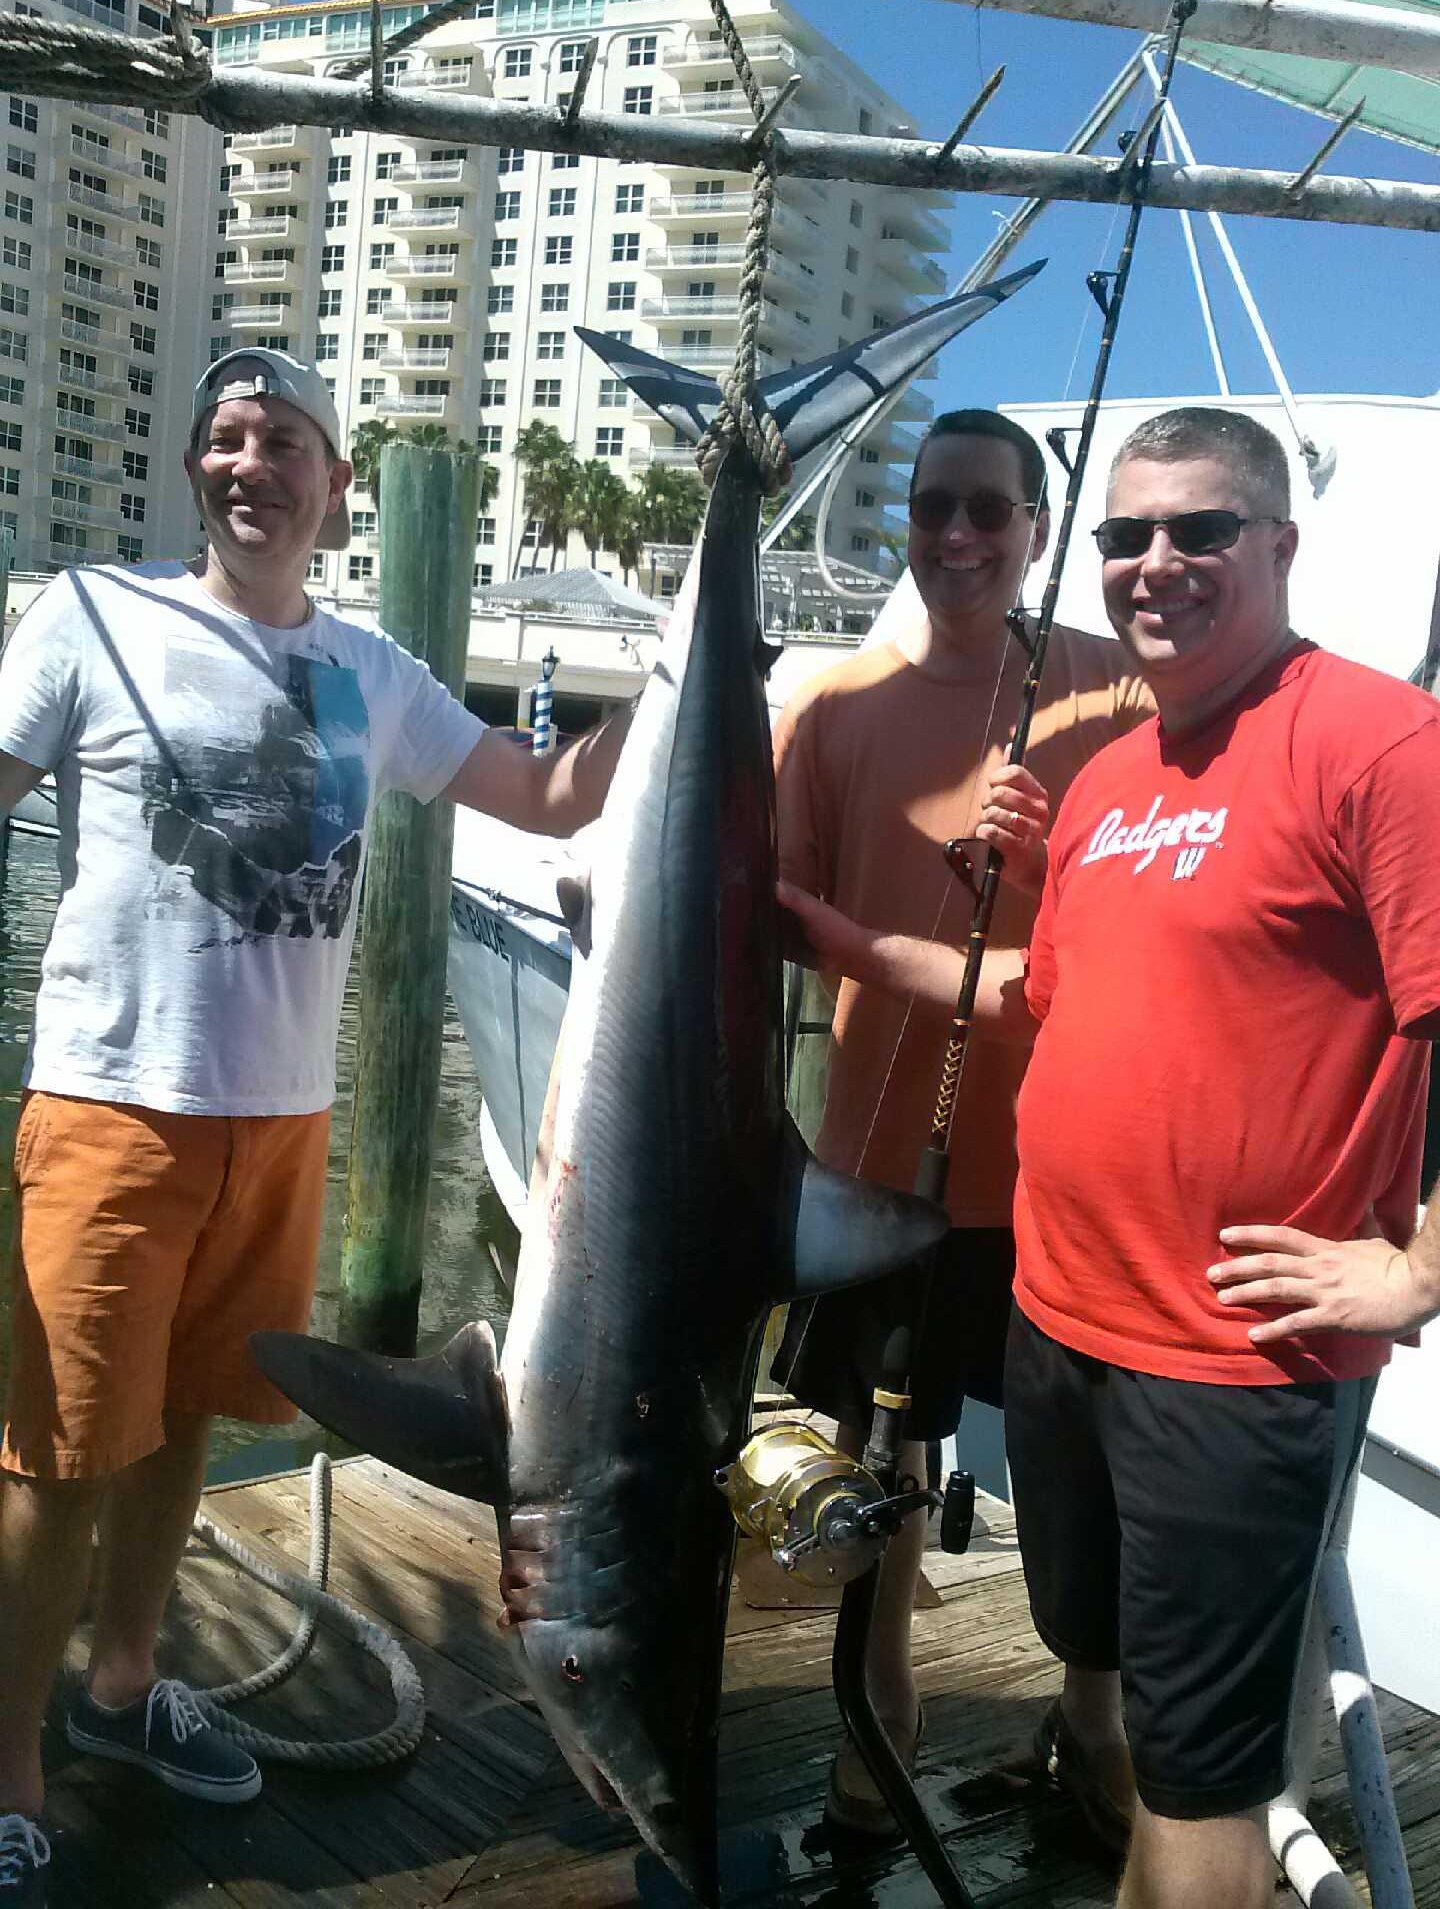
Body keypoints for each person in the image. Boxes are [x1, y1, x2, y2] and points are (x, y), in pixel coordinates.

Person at [782, 405, 1440, 1908]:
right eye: (1129, 536)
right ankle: (1090, 1800)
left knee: (1204, 1784)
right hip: (1055, 1322)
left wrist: (1416, 1275)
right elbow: (1033, 994)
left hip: (1228, 1359)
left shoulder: (1380, 742)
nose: (1159, 563)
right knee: (1110, 1670)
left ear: (1278, 544)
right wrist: (844, 939)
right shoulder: (1116, 779)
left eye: (1201, 530)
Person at [0, 350, 633, 1905]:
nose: (250, 462)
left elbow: (546, 798)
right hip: (112, 1108)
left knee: (190, 1425)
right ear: (196, 474)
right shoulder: (89, 616)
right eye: (225, 437)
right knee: (56, 1456)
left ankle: (125, 1682)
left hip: (284, 1123)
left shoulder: (376, 672)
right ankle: (4, 1771)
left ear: (335, 486)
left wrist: (680, 673)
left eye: (284, 439)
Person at [768, 408, 1153, 1840]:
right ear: (907, 523)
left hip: (1070, 1171)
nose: (961, 538)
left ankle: (1092, 1715)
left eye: (992, 511)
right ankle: (882, 1695)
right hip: (883, 1173)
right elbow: (792, 922)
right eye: (936, 509)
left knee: (1085, 1465)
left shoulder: (1117, 688)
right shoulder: (836, 710)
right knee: (881, 1460)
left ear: (1036, 532)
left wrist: (1051, 855)